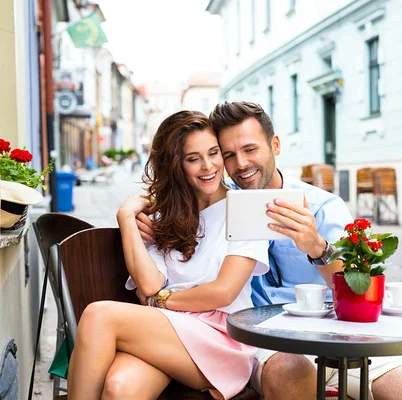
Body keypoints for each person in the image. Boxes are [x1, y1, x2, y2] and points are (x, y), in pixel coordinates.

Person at [137, 102, 402, 400]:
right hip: (264, 343)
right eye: (229, 154)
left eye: (250, 149)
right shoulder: (219, 205)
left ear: (275, 145)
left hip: (337, 337)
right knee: (290, 371)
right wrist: (144, 217)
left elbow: (365, 290)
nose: (241, 164)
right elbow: (174, 204)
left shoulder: (323, 206)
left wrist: (318, 247)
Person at [67, 110, 269, 400]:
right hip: (166, 333)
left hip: (222, 338)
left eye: (214, 153)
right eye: (193, 158)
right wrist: (126, 217)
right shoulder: (165, 215)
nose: (208, 166)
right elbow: (149, 284)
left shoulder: (247, 208)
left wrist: (161, 301)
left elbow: (224, 292)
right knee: (119, 388)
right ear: (176, 165)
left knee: (98, 315)